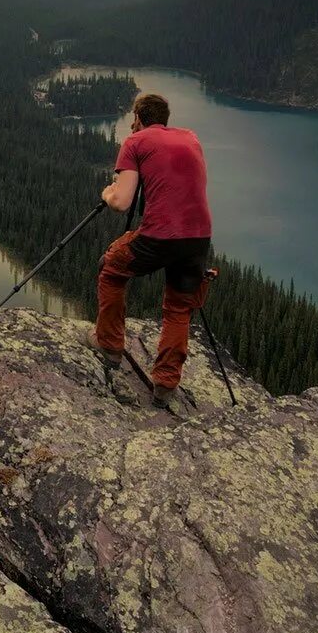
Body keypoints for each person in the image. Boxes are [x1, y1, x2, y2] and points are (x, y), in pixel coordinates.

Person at [90, 91, 213, 406]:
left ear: (137, 119)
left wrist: (107, 193)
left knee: (111, 267)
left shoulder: (136, 141)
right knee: (179, 307)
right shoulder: (191, 138)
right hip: (199, 237)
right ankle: (166, 384)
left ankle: (109, 346)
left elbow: (121, 202)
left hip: (159, 235)